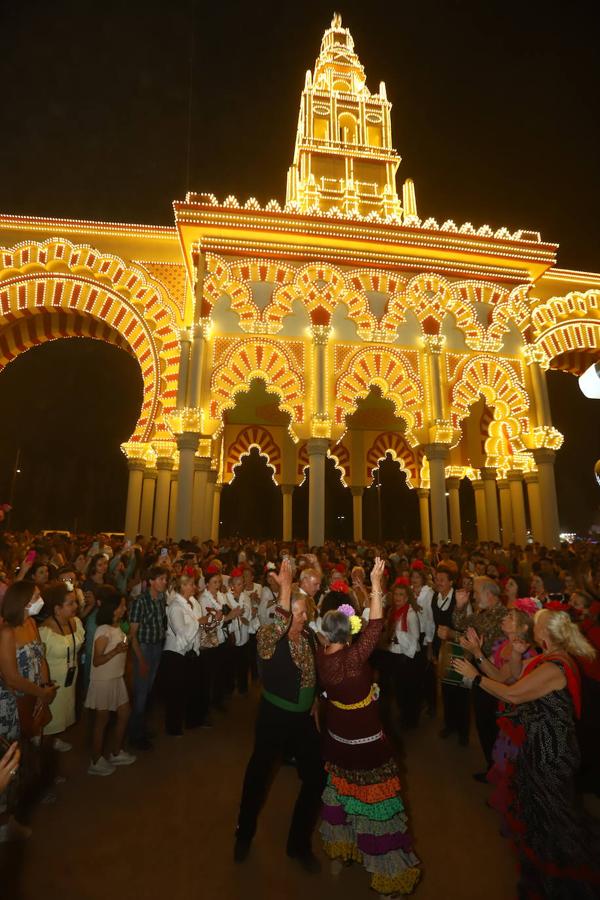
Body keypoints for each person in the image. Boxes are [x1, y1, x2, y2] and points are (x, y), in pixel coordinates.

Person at [453, 610, 600, 898]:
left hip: (551, 751)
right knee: (542, 813)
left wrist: (475, 678)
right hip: (538, 745)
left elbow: (513, 694)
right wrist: (485, 655)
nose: (532, 625)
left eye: (538, 623)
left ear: (544, 634)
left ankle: (563, 879)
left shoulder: (554, 667)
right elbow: (509, 680)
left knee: (554, 817)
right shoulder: (547, 658)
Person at [317, 558, 420, 896]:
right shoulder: (350, 659)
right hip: (366, 747)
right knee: (378, 811)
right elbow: (376, 624)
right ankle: (390, 879)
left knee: (343, 796)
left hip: (337, 742)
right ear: (347, 636)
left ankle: (342, 852)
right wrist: (375, 584)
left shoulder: (324, 659)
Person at [234, 558, 325, 873]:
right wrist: (285, 589)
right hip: (273, 716)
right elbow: (276, 626)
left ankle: (298, 844)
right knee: (258, 776)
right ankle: (243, 833)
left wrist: (314, 700)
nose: (298, 619)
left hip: (302, 720)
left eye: (302, 614)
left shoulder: (310, 638)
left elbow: (314, 672)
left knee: (316, 777)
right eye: (295, 613)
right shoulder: (269, 639)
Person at [451, 577, 507, 776]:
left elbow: (489, 647)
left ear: (488, 594)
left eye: (476, 592)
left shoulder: (504, 616)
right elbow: (460, 624)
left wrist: (474, 647)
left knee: (490, 724)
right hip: (480, 671)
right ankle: (492, 768)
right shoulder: (482, 613)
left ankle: (497, 770)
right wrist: (459, 606)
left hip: (493, 675)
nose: (473, 596)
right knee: (483, 723)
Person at [84, 587, 136, 775]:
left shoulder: (118, 626)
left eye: (125, 606)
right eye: (121, 606)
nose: (124, 609)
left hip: (116, 678)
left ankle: (115, 752)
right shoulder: (103, 630)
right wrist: (116, 651)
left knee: (124, 713)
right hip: (103, 680)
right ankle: (95, 761)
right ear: (111, 608)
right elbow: (97, 661)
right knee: (102, 721)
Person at [39, 582, 85, 752]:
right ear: (57, 609)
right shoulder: (45, 632)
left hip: (70, 680)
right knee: (48, 725)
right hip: (53, 683)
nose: (76, 606)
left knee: (60, 719)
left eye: (75, 602)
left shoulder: (76, 622)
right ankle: (42, 769)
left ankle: (53, 742)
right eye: (70, 603)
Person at [162, 574, 210, 735]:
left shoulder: (193, 602)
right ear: (182, 587)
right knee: (176, 692)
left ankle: (193, 720)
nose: (194, 587)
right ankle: (173, 727)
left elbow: (198, 626)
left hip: (191, 652)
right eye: (190, 584)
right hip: (176, 653)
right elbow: (181, 633)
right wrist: (199, 622)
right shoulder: (175, 606)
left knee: (194, 687)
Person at [128, 565, 168, 750]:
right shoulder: (140, 602)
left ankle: (140, 728)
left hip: (157, 646)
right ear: (151, 581)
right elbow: (132, 635)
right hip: (143, 648)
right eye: (161, 579)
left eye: (165, 579)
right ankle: (135, 735)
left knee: (148, 690)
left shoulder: (161, 598)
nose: (164, 582)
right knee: (141, 693)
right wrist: (141, 659)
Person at [432, 567, 470, 745]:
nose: (438, 582)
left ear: (451, 582)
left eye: (441, 579)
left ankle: (463, 731)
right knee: (446, 688)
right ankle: (449, 724)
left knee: (460, 691)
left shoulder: (460, 599)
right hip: (442, 646)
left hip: (458, 647)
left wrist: (451, 633)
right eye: (436, 579)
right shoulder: (435, 597)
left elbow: (468, 627)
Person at [383, 581, 421, 728]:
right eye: (396, 594)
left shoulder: (410, 614)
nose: (398, 597)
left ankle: (411, 719)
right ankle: (403, 714)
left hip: (408, 657)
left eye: (401, 595)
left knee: (409, 689)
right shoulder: (392, 611)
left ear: (406, 598)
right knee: (398, 688)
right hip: (395, 654)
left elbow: (416, 637)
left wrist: (397, 635)